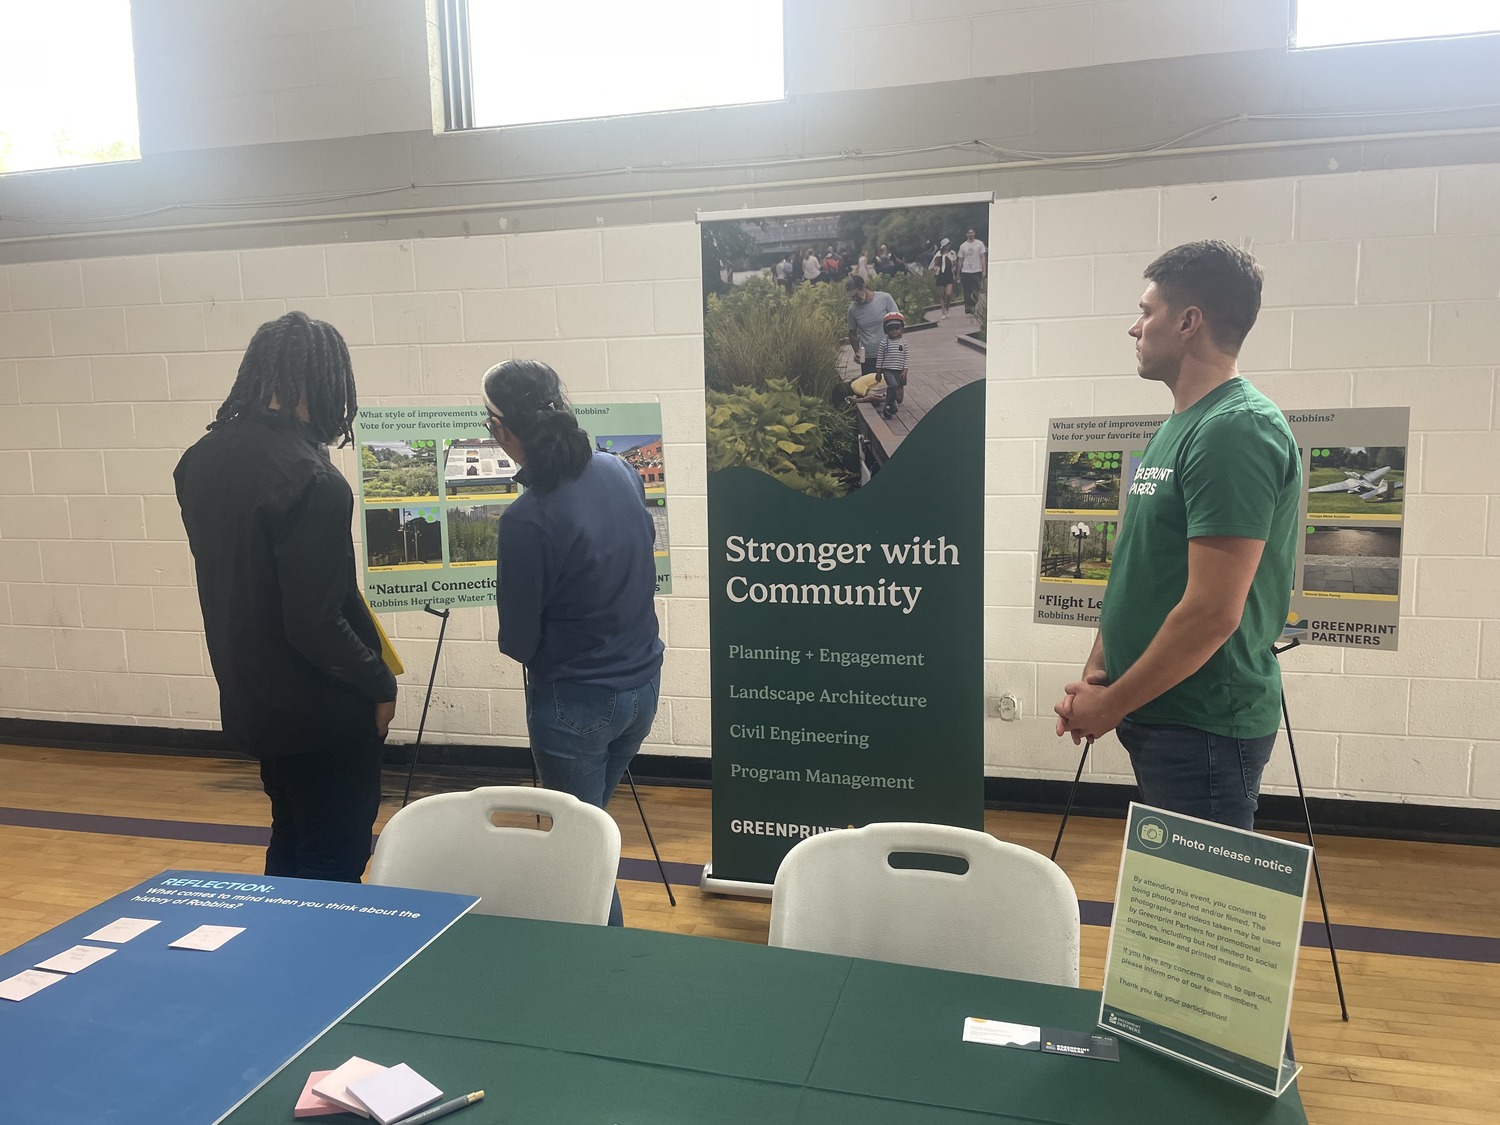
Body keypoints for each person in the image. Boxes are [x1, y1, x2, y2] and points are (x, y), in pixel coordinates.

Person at [1052, 241, 1300, 832]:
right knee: (1170, 911)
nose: (1133, 327)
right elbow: (1142, 571)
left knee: (1199, 918)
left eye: (1147, 311)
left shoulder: (1234, 429)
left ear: (1189, 322)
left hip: (1204, 724)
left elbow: (1213, 611)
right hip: (1161, 712)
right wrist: (1099, 671)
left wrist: (1110, 704)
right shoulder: (1179, 428)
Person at [174, 311, 397, 882]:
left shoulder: (200, 461)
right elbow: (314, 621)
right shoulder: (313, 480)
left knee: (293, 832)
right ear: (317, 383)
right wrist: (379, 682)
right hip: (322, 706)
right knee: (335, 852)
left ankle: (283, 960)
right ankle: (321, 968)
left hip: (255, 696)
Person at [482, 359, 663, 926]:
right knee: (592, 826)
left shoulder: (527, 521)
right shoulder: (618, 470)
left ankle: (600, 963)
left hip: (576, 704)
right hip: (642, 690)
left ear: (505, 431)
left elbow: (517, 639)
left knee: (581, 842)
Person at [845, 275, 900, 377]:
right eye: (852, 296)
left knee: (894, 386)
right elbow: (852, 333)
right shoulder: (853, 309)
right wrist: (857, 352)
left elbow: (898, 322)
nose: (855, 298)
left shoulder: (885, 298)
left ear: (863, 287)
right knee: (871, 389)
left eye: (856, 294)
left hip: (889, 352)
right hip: (868, 356)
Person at [875, 311, 908, 420]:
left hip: (899, 370)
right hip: (888, 369)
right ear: (886, 330)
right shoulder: (884, 343)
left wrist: (905, 369)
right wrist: (878, 371)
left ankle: (892, 404)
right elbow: (880, 357)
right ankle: (888, 405)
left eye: (897, 328)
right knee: (892, 385)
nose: (894, 331)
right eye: (891, 329)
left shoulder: (903, 343)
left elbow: (906, 357)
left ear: (902, 329)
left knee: (898, 394)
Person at [956, 227, 987, 314]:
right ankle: (969, 308)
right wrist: (958, 273)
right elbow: (960, 260)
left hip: (977, 270)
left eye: (972, 232)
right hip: (966, 270)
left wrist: (984, 270)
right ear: (966, 235)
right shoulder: (963, 246)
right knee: (967, 290)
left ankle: (975, 306)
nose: (970, 234)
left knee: (976, 289)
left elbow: (982, 257)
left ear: (974, 233)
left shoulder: (979, 244)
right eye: (969, 233)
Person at [929, 237, 957, 318]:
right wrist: (935, 268)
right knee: (941, 294)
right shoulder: (938, 254)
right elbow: (932, 265)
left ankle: (947, 308)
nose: (948, 246)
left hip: (949, 274)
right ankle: (943, 312)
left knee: (948, 294)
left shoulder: (952, 253)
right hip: (941, 274)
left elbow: (955, 263)